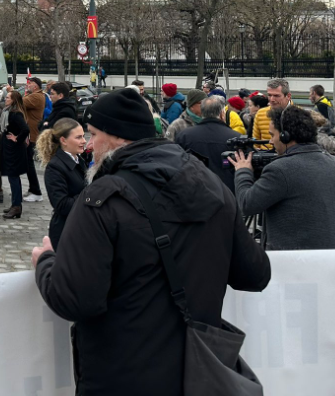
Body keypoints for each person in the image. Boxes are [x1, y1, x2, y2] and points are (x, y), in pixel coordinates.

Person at [33, 88, 271, 395]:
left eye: (93, 134)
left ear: (117, 136)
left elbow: (74, 299)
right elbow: (255, 273)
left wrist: (46, 262)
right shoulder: (211, 184)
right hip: (196, 374)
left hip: (123, 376)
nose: (90, 145)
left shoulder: (102, 198)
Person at [232, 105, 335, 250]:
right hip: (332, 255)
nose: (270, 142)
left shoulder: (280, 169)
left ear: (285, 136)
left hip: (293, 259)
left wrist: (243, 171)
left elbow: (247, 204)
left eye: (272, 135)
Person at [37, 118, 87, 251]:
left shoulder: (78, 159)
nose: (84, 141)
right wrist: (89, 194)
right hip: (65, 231)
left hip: (79, 228)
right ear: (63, 140)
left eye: (83, 136)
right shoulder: (55, 167)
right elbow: (61, 205)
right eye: (78, 137)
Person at [175, 95, 241, 193]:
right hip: (227, 192)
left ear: (202, 113)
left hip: (194, 191)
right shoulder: (236, 138)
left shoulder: (184, 136)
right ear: (222, 114)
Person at [1, 90, 30, 219]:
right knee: (13, 177)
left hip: (14, 150)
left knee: (13, 177)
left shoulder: (15, 113)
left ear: (13, 100)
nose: (5, 99)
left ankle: (17, 206)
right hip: (10, 149)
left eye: (8, 97)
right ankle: (15, 204)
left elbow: (25, 129)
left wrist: (17, 138)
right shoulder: (8, 112)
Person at [21, 77, 46, 202]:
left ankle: (36, 192)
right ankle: (32, 189)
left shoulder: (37, 96)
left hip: (31, 134)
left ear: (35, 86)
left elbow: (20, 102)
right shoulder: (35, 95)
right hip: (29, 134)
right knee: (27, 163)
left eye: (30, 83)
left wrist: (11, 92)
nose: (28, 85)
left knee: (29, 164)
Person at [252, 78, 293, 144]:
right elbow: (255, 142)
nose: (272, 99)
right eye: (269, 95)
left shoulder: (300, 115)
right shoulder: (260, 114)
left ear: (288, 96)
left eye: (276, 96)